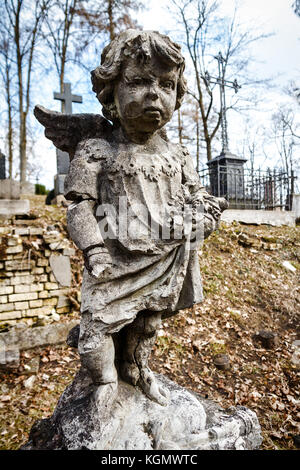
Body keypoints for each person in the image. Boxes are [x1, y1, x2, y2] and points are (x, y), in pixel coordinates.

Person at [62, 30, 227, 406]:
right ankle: (103, 387)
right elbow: (78, 206)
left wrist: (206, 217)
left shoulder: (178, 156)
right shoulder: (97, 150)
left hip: (163, 254)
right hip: (112, 261)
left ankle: (137, 370)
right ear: (111, 91)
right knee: (97, 334)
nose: (154, 93)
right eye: (138, 81)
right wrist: (94, 250)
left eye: (166, 84)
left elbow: (198, 198)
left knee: (148, 322)